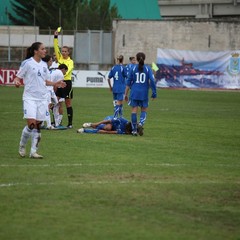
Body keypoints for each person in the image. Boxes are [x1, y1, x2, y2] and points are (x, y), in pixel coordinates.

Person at [14, 42, 66, 159]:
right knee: (31, 125)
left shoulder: (44, 65)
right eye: (42, 49)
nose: (45, 51)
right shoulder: (27, 63)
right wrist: (16, 81)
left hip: (42, 98)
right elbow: (18, 77)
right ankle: (22, 146)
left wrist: (56, 83)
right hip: (30, 98)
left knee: (37, 126)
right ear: (35, 51)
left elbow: (46, 81)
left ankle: (33, 152)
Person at [124, 52, 157, 136]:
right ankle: (141, 124)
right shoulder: (148, 68)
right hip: (144, 93)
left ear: (137, 59)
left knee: (134, 110)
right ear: (144, 59)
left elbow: (128, 82)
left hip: (134, 92)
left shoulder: (133, 68)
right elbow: (152, 80)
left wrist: (125, 94)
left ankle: (134, 130)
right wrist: (154, 92)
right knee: (144, 109)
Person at [54, 29, 74, 128]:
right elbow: (55, 47)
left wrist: (60, 74)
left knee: (68, 103)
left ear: (68, 52)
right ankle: (56, 121)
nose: (63, 52)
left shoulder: (70, 62)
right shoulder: (59, 58)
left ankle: (70, 123)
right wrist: (55, 37)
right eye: (62, 51)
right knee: (55, 101)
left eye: (65, 51)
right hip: (59, 82)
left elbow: (67, 71)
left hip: (67, 83)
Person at [50, 64, 68, 128]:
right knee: (55, 105)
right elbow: (56, 85)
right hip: (50, 89)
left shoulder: (53, 70)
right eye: (65, 71)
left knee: (54, 106)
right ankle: (56, 124)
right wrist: (54, 95)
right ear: (63, 69)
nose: (65, 73)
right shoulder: (60, 74)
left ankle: (56, 123)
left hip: (45, 88)